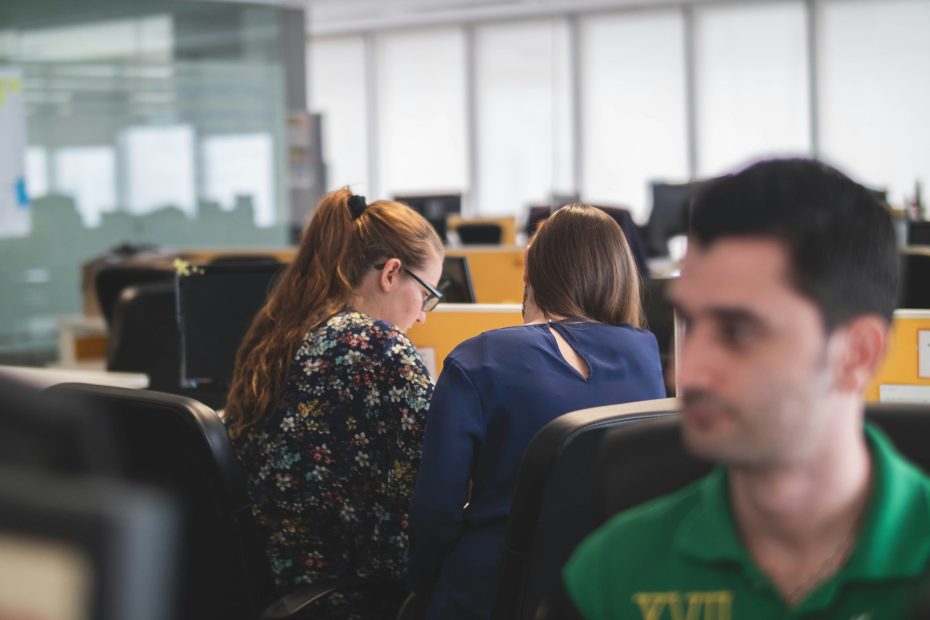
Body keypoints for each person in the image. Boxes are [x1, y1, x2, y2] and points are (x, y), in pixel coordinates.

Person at [562, 159, 930, 618]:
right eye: (690, 325)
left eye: (738, 332)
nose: (687, 376)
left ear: (858, 355)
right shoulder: (612, 574)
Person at [407, 204, 666, 619]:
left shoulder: (479, 359)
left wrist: (422, 587)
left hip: (491, 594)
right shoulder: (644, 352)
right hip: (600, 590)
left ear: (531, 274)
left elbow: (435, 516)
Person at [224, 187, 444, 618]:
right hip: (346, 594)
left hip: (269, 580)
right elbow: (426, 496)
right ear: (391, 272)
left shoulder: (278, 331)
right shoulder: (378, 345)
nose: (421, 316)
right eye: (427, 296)